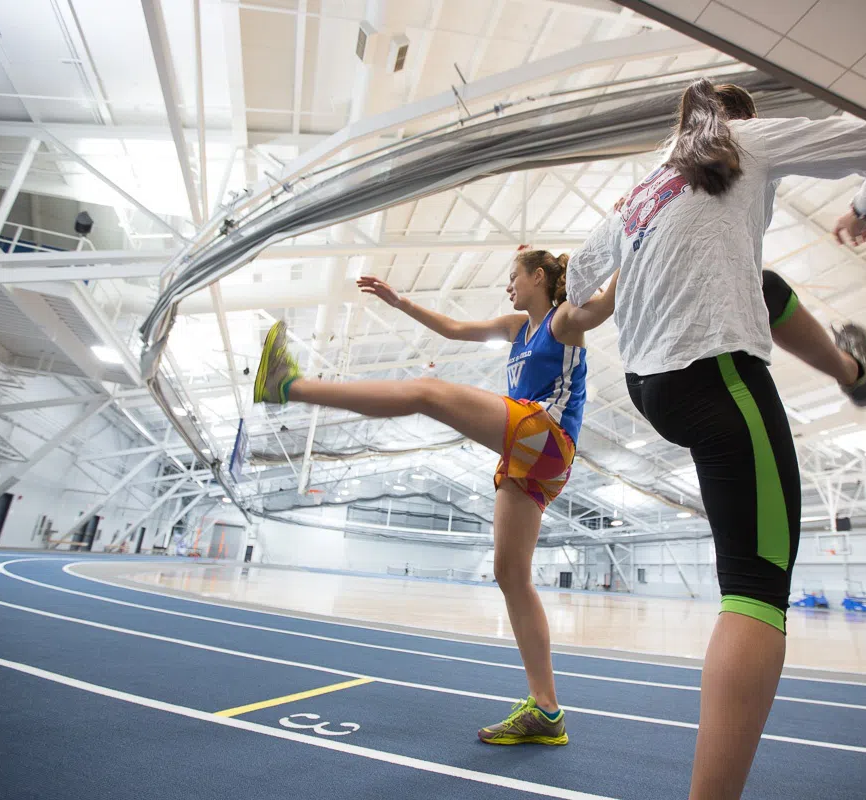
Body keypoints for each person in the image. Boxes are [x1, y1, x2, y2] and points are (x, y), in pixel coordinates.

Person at [568, 80, 866, 799]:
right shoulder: (747, 141)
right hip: (717, 379)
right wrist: (863, 210)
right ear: (739, 121)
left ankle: (851, 372)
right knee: (757, 592)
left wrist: (586, 311)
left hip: (653, 389)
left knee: (759, 283)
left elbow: (580, 283)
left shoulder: (642, 188)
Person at [252, 248, 618, 746]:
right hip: (525, 457)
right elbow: (452, 329)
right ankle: (547, 711)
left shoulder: (565, 319)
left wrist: (629, 243)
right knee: (510, 575)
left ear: (538, 276)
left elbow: (602, 307)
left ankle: (289, 386)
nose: (508, 286)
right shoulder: (516, 328)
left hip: (549, 438)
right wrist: (399, 301)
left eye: (513, 277)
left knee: (427, 393)